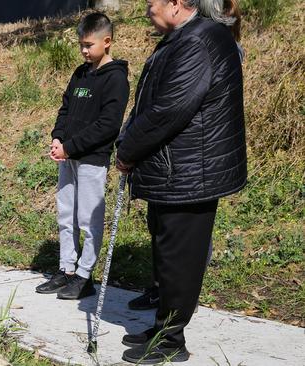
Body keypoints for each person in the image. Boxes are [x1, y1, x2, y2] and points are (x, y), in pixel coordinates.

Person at [116, 0, 246, 363]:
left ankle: (171, 342)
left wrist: (128, 149)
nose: (146, 9)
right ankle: (163, 327)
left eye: (151, 2)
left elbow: (169, 110)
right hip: (176, 170)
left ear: (175, 3)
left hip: (190, 173)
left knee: (179, 261)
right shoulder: (186, 37)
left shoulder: (198, 41)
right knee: (167, 252)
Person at [35, 12, 129, 300]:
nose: (84, 51)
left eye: (89, 45)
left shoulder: (115, 80)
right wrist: (57, 138)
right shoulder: (80, 73)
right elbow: (65, 110)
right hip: (68, 157)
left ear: (107, 41)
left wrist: (71, 147)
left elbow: (108, 126)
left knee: (88, 220)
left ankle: (85, 275)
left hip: (91, 159)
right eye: (81, 46)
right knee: (66, 215)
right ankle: (66, 269)